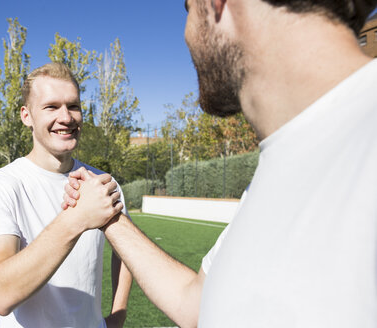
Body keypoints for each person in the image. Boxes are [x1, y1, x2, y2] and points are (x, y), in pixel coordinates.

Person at [63, 1, 377, 327]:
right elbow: (197, 304)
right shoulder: (281, 164)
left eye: (187, 8)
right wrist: (108, 216)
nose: (185, 33)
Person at [0, 62, 132, 328]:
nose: (66, 117)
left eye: (73, 106)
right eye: (51, 107)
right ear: (26, 116)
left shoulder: (101, 183)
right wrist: (78, 218)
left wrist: (119, 313)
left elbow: (125, 252)